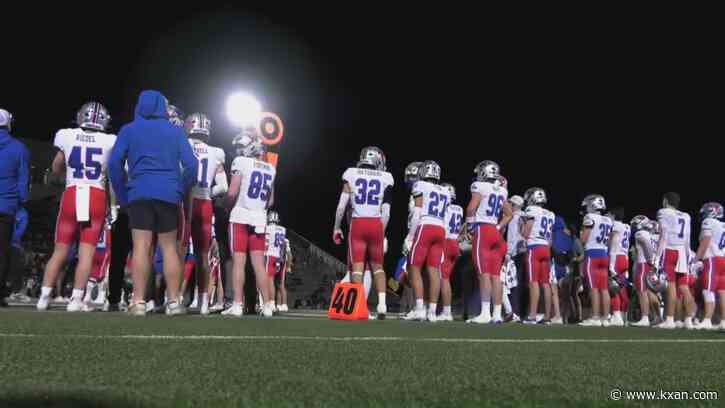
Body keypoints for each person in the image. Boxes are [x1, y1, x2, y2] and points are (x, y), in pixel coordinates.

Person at [108, 90, 198, 317]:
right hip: (168, 193)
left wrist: (123, 195)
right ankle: (174, 302)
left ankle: (138, 302)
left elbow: (114, 165)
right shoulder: (176, 132)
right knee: (169, 248)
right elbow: (192, 166)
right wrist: (179, 188)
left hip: (139, 193)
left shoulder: (128, 130)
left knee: (141, 247)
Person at [37, 102, 117, 312]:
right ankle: (76, 300)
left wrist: (66, 177)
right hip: (96, 195)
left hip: (72, 193)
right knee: (87, 252)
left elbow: (56, 167)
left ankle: (44, 296)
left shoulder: (66, 135)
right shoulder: (110, 140)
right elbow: (111, 174)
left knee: (60, 250)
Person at [333, 146, 393, 319]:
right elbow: (387, 211)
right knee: (378, 268)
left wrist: (336, 227)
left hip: (358, 224)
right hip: (376, 224)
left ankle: (358, 306)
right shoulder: (386, 177)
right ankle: (382, 305)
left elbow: (341, 207)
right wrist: (382, 231)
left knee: (357, 269)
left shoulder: (351, 173)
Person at [222, 130, 277, 317]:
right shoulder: (271, 168)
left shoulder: (240, 162)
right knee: (259, 265)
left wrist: (225, 206)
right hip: (259, 218)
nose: (237, 151)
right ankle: (268, 305)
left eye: (240, 146)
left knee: (238, 263)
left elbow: (231, 192)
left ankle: (237, 304)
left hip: (240, 216)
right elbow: (270, 202)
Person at [184, 113, 227, 315]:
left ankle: (172, 299)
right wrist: (206, 192)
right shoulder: (216, 152)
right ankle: (203, 302)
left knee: (177, 251)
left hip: (183, 201)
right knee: (203, 256)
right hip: (205, 203)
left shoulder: (181, 145)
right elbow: (224, 186)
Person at [465, 161, 512, 324]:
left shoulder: (479, 186)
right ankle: (497, 314)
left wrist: (470, 228)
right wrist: (499, 226)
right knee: (496, 276)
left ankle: (485, 313)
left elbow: (471, 209)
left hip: (483, 230)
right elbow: (509, 214)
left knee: (484, 273)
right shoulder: (502, 191)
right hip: (495, 232)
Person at [401, 161, 449, 322]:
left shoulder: (420, 185)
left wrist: (410, 237)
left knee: (414, 267)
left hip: (425, 226)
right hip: (440, 229)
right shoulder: (445, 190)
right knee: (433, 270)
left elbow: (417, 212)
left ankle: (420, 308)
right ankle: (432, 312)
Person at [0, 109, 30, 307]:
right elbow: (23, 180)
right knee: (2, 252)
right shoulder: (19, 148)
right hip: (6, 206)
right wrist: (21, 200)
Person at [653, 192, 694, 330]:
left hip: (670, 250)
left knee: (670, 286)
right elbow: (688, 238)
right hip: (682, 251)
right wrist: (688, 256)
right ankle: (688, 320)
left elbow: (663, 235)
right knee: (684, 287)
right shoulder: (686, 216)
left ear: (665, 201)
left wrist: (657, 257)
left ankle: (669, 319)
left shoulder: (663, 212)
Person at [520, 187, 556, 325]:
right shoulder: (550, 214)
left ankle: (532, 315)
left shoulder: (531, 210)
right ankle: (547, 317)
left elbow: (526, 233)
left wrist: (521, 226)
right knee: (546, 283)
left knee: (533, 282)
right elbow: (551, 238)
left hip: (534, 247)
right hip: (546, 248)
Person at [578, 194, 613, 327]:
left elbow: (584, 239)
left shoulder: (589, 217)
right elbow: (609, 241)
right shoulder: (608, 220)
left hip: (592, 254)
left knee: (593, 288)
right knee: (604, 288)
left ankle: (595, 317)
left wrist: (581, 235)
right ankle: (605, 318)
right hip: (604, 254)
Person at [692, 202, 725, 330]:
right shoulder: (723, 225)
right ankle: (723, 321)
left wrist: (695, 259)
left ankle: (707, 319)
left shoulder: (708, 222)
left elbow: (706, 241)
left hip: (712, 259)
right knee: (722, 291)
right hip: (723, 258)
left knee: (708, 289)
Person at [439, 182, 463, 321]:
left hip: (446, 242)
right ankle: (442, 309)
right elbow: (460, 230)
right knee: (445, 277)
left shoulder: (444, 208)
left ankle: (446, 312)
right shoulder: (459, 208)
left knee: (443, 278)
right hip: (455, 243)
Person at [630, 215, 657, 327]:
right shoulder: (650, 234)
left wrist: (650, 259)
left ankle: (645, 317)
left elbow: (647, 245)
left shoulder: (640, 233)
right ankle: (656, 316)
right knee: (648, 292)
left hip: (643, 264)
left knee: (642, 292)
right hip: (648, 264)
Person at [607, 207, 631, 327]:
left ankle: (616, 316)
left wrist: (611, 264)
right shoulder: (627, 227)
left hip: (616, 258)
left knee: (613, 289)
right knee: (622, 290)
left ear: (613, 215)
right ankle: (623, 316)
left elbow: (614, 243)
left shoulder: (615, 225)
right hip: (624, 259)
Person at [505, 195, 526, 321]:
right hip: (526, 252)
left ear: (513, 205)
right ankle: (521, 312)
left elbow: (513, 238)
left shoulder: (514, 218)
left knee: (513, 284)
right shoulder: (526, 216)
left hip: (516, 253)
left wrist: (508, 253)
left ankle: (515, 312)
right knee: (523, 284)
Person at [264, 210, 286, 312]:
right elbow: (283, 246)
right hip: (279, 256)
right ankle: (273, 302)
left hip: (270, 255)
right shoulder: (282, 229)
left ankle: (271, 302)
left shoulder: (268, 228)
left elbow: (266, 243)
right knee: (275, 281)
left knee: (269, 279)